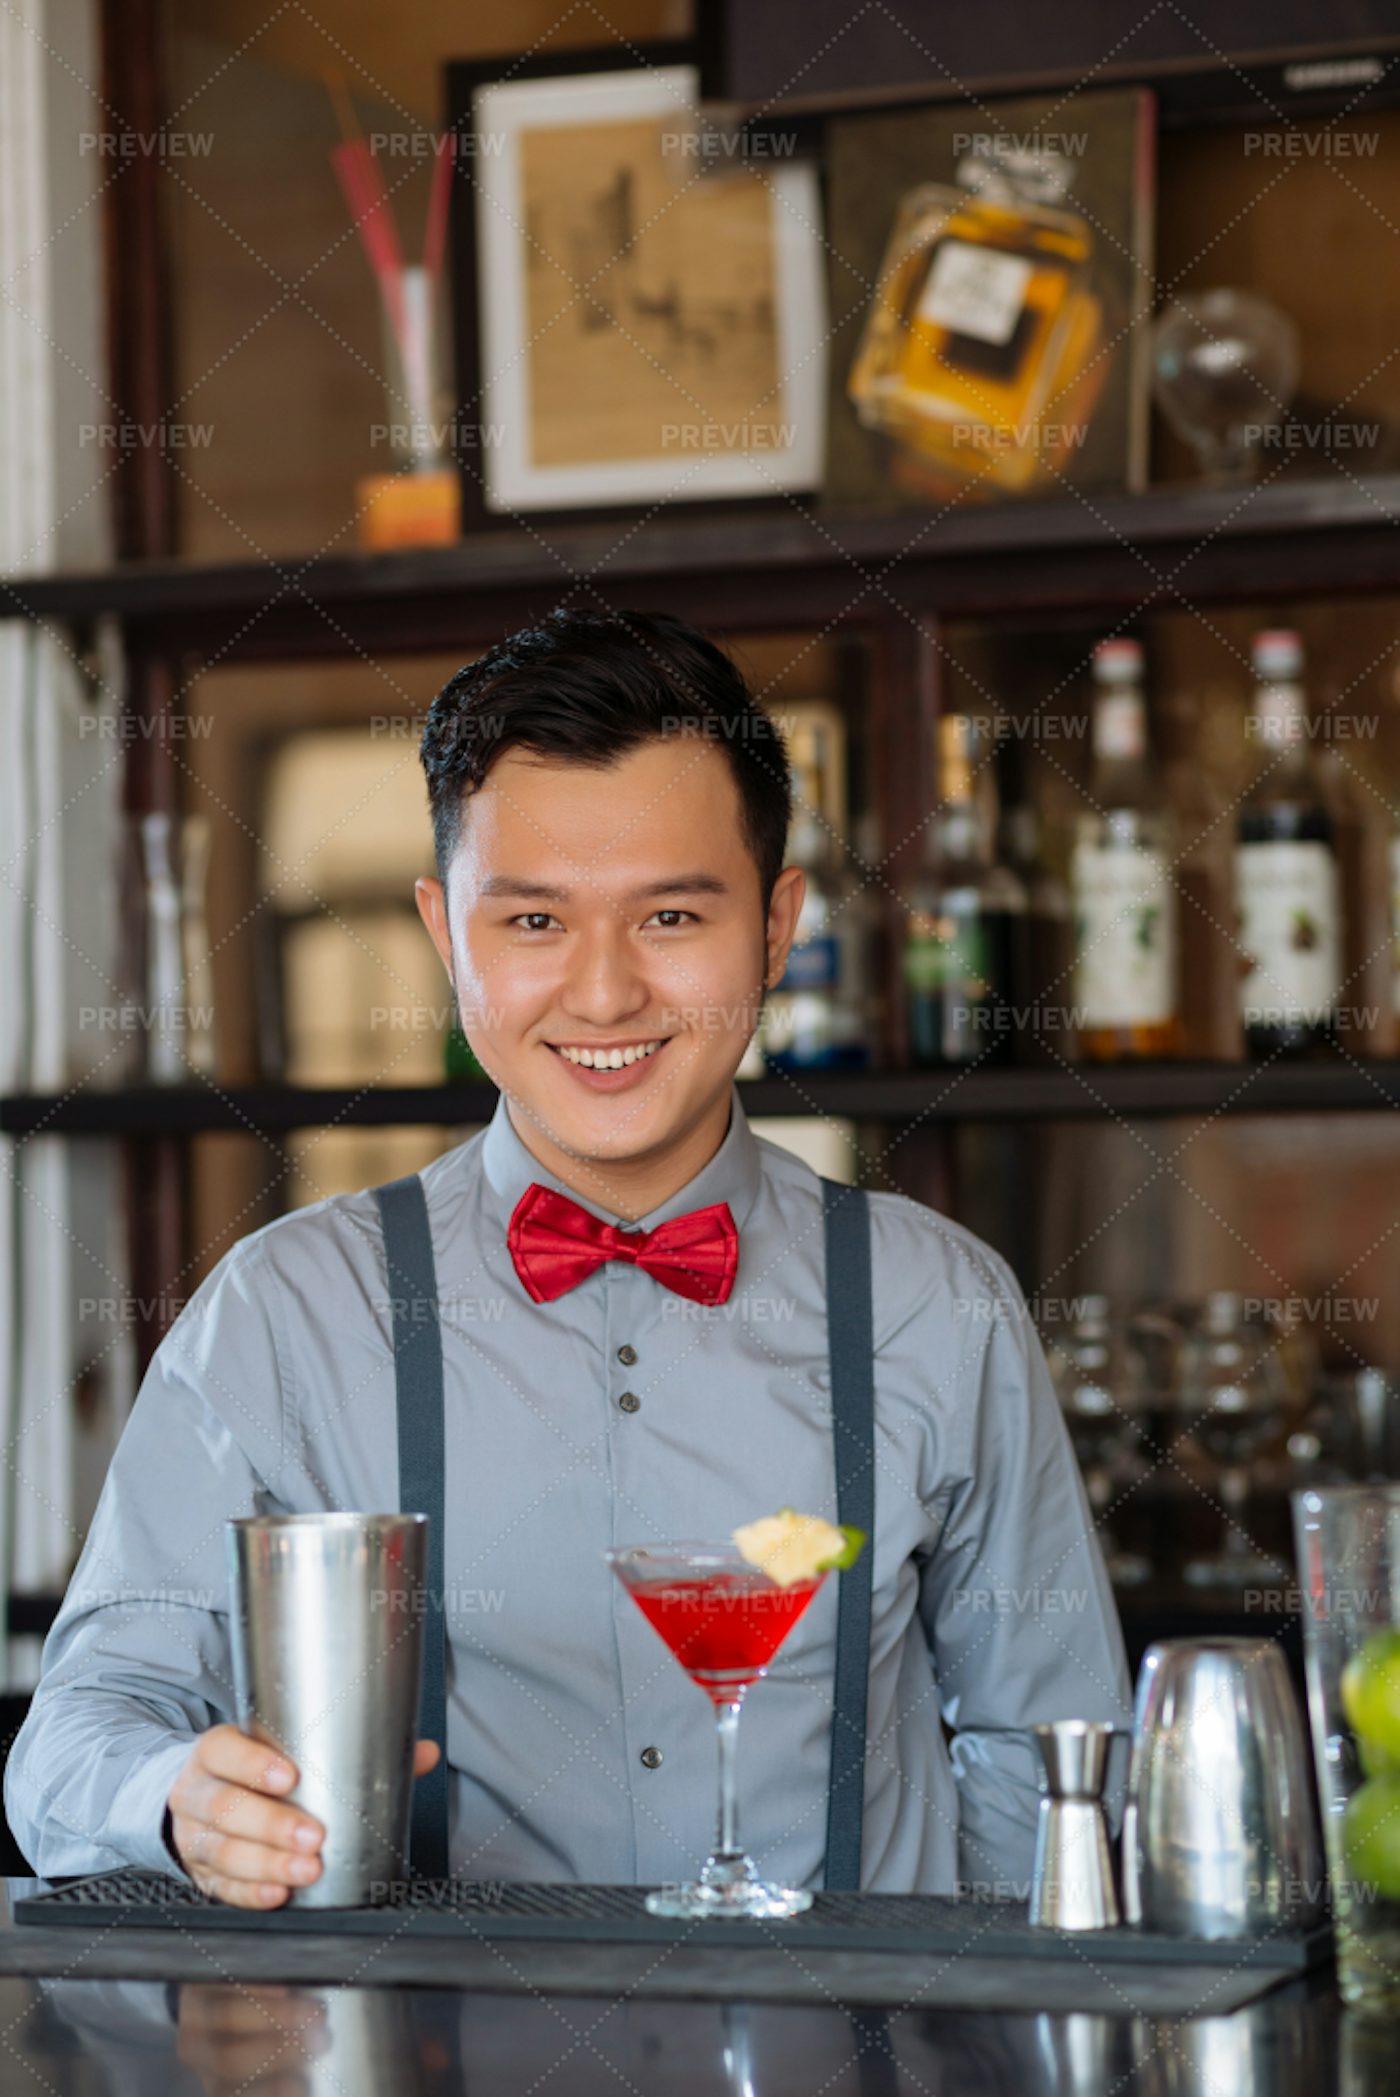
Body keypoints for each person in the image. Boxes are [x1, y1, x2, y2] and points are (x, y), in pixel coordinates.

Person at [5, 608, 1130, 1908]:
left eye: (668, 915)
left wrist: (978, 2032)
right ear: (444, 933)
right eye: (533, 922)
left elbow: (1048, 1763)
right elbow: (71, 1745)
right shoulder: (283, 1315)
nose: (602, 995)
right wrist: (179, 1799)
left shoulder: (942, 1308)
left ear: (776, 927)